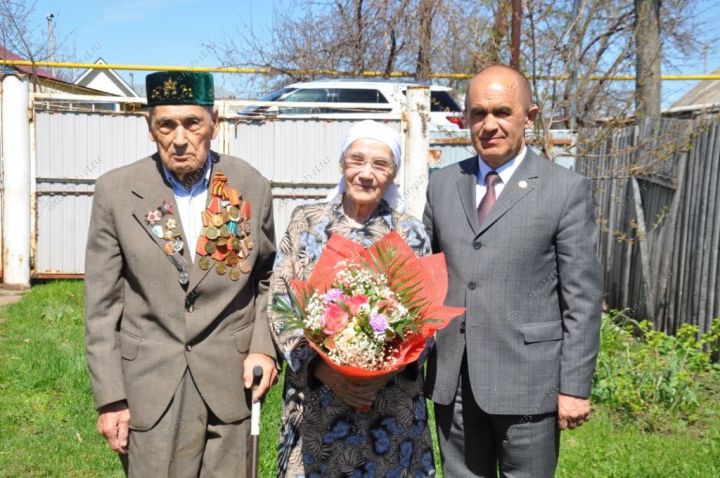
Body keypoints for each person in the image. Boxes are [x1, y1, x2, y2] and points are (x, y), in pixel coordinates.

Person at [84, 71, 278, 477]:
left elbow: (266, 277)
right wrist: (111, 398)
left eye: (192, 123)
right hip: (151, 387)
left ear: (214, 123)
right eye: (166, 125)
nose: (179, 138)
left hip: (231, 380)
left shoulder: (251, 187)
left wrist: (263, 346)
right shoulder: (116, 192)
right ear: (150, 129)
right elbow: (101, 306)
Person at [423, 65, 603, 477]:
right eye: (478, 113)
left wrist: (573, 386)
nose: (489, 125)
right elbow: (426, 277)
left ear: (529, 116)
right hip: (455, 380)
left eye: (502, 112)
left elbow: (583, 298)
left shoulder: (564, 190)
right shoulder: (443, 184)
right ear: (464, 118)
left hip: (529, 383)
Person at [269, 120, 436, 477]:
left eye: (380, 164)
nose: (365, 173)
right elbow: (282, 301)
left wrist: (378, 374)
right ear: (342, 164)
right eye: (356, 160)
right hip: (317, 403)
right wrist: (323, 370)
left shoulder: (409, 232)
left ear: (393, 174)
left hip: (390, 407)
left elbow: (427, 320)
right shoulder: (308, 222)